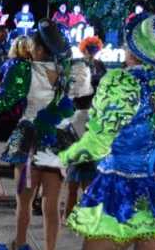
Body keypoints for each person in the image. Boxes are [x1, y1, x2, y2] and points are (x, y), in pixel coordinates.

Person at [59, 14, 155, 250]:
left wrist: (62, 158)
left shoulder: (121, 81)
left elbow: (98, 142)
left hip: (119, 188)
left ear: (133, 49)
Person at [0, 20, 86, 250]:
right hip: (57, 141)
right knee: (51, 204)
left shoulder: (25, 70)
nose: (30, 48)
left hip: (29, 139)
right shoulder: (68, 72)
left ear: (41, 49)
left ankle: (20, 244)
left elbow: (6, 97)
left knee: (23, 202)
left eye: (33, 45)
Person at [64, 36, 106, 220]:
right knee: (75, 177)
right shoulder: (78, 66)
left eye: (94, 48)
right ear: (84, 49)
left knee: (88, 177)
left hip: (92, 115)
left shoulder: (100, 66)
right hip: (79, 114)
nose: (92, 52)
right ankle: (71, 215)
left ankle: (84, 216)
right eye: (89, 48)